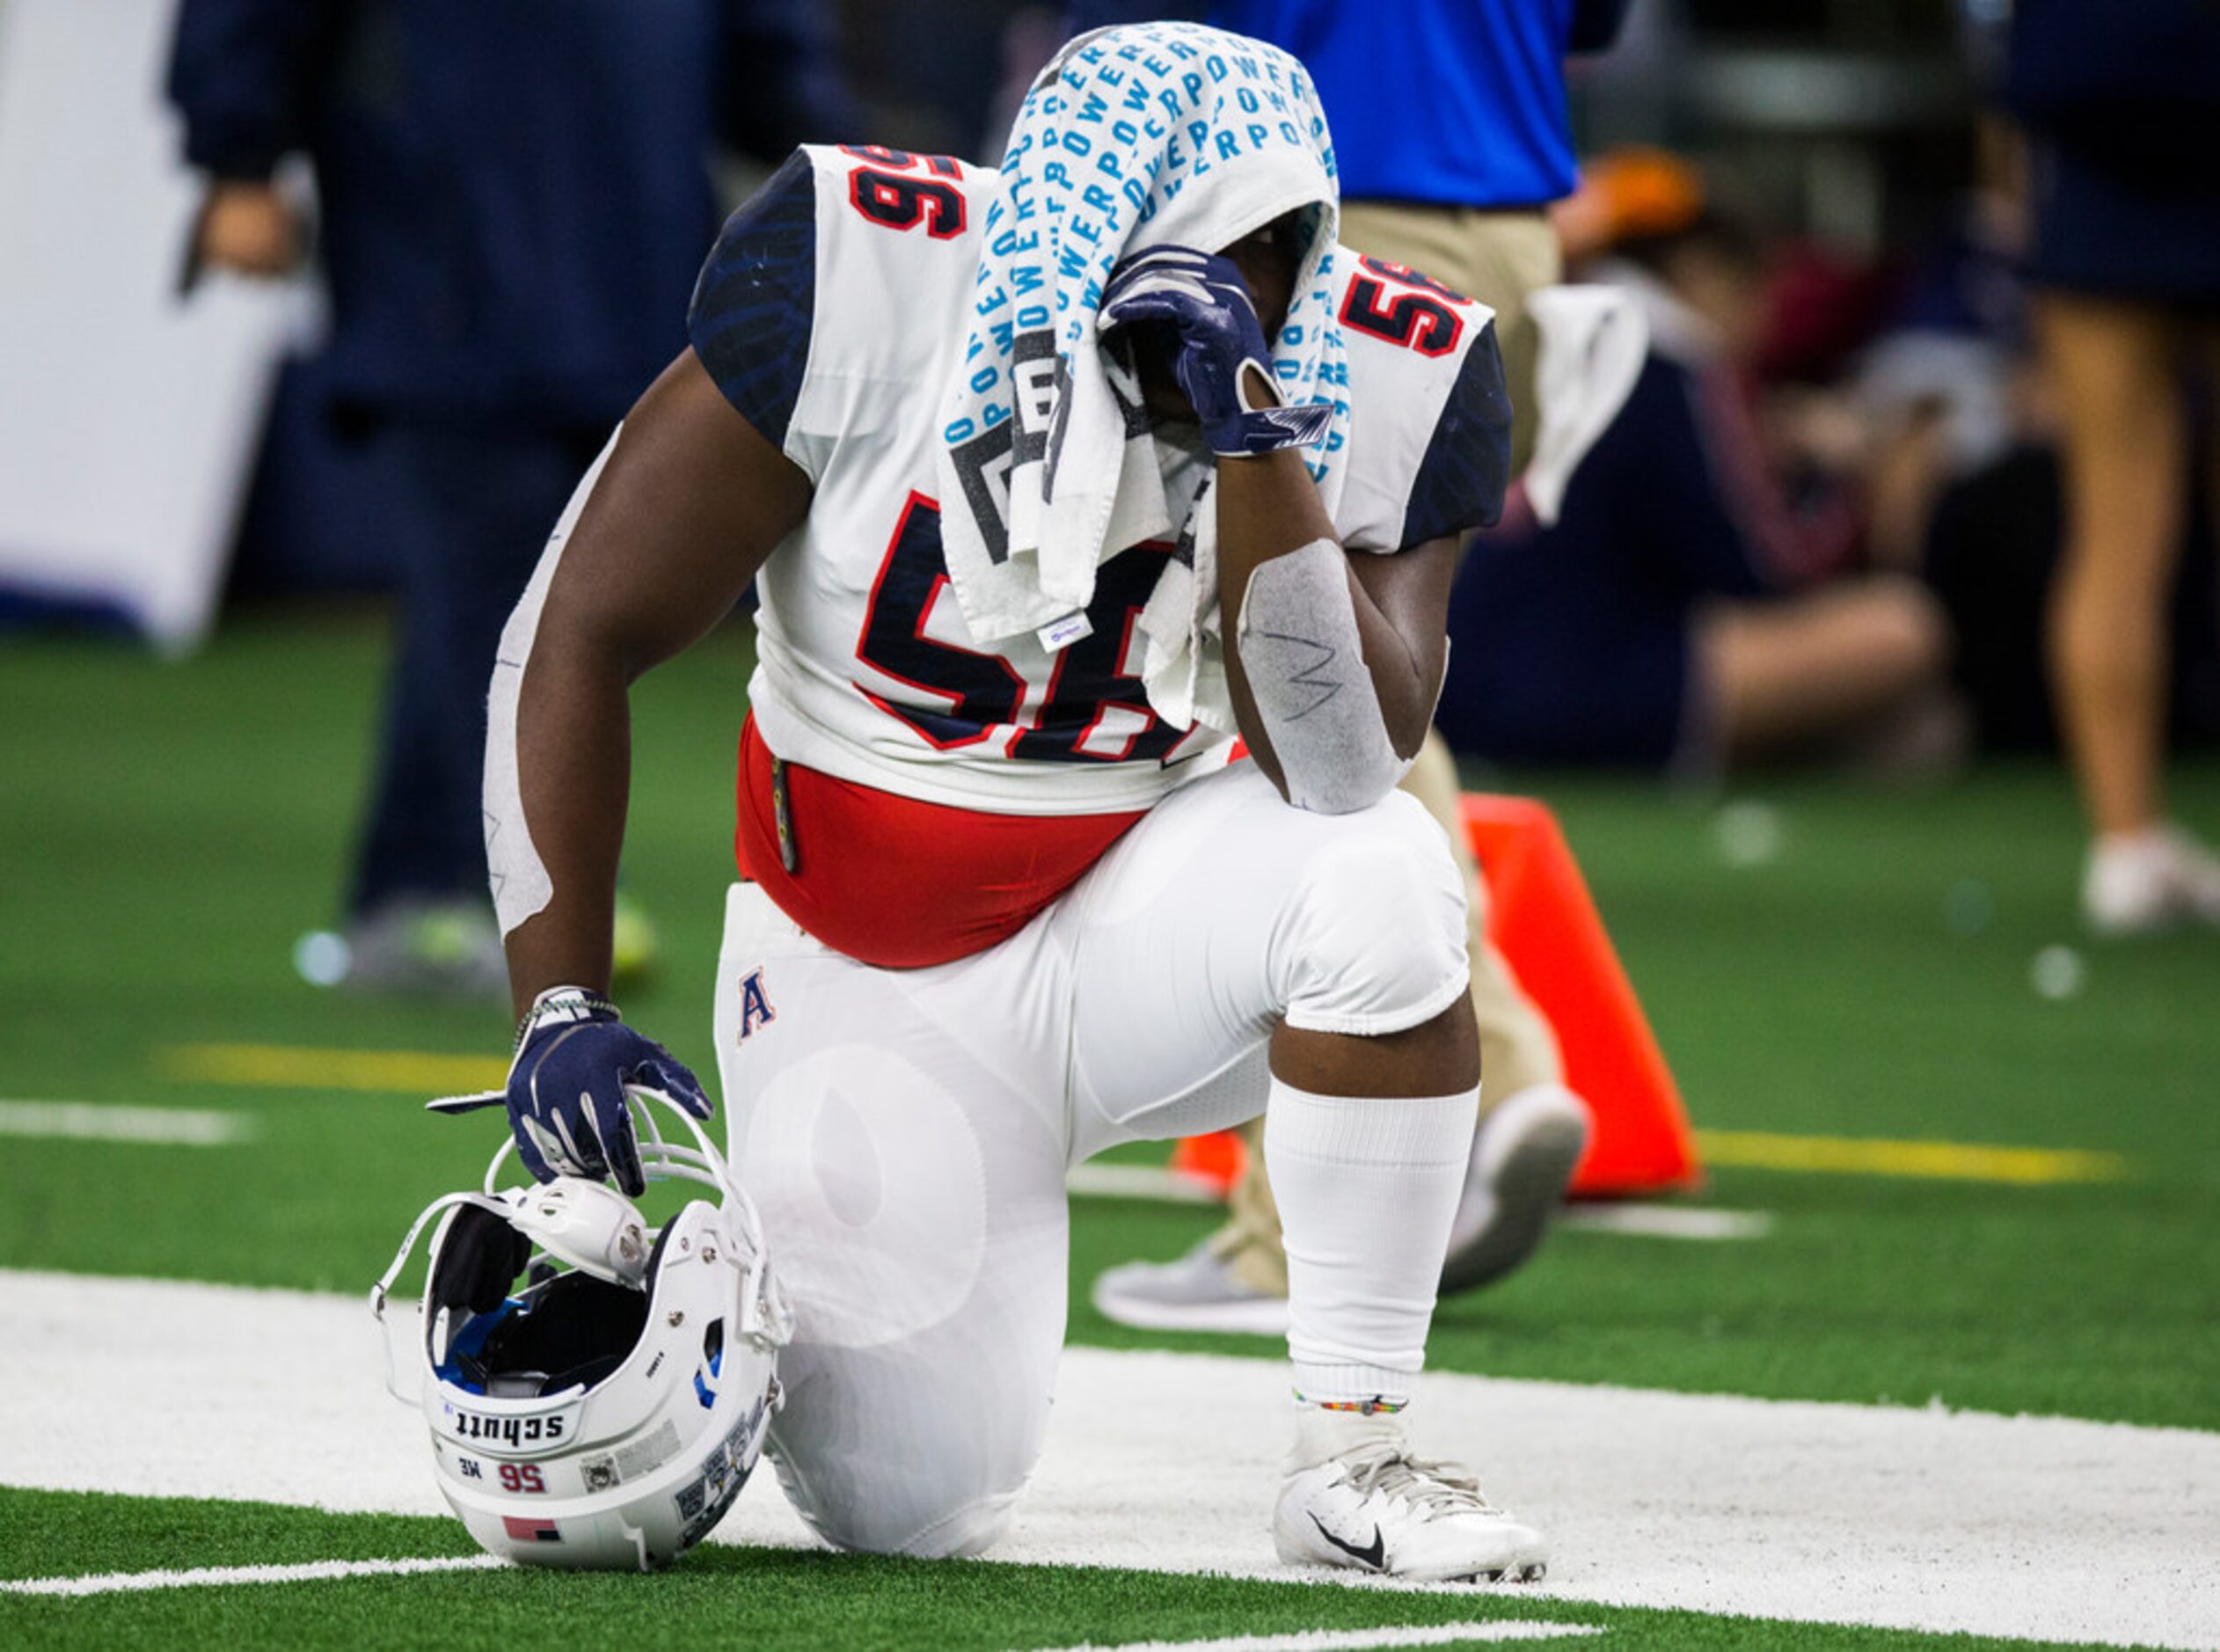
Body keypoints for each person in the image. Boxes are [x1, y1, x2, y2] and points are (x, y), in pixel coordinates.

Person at [460, 21, 1552, 1580]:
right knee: (905, 1506)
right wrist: (554, 1001)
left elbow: (1338, 757)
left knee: (1381, 870)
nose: (1222, 291)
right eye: (1186, 259)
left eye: (1262, 258)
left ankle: (1351, 1450)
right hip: (859, 956)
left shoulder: (1395, 363)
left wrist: (1249, 434)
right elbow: (573, 628)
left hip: (1147, 914)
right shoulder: (863, 277)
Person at [1073, 0, 1632, 1335]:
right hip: (1518, 218)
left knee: (1300, 678)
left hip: (1326, 211)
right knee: (1364, 676)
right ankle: (1489, 1071)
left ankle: (1302, 1223)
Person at [167, 0, 854, 993]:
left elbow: (769, 54)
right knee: (495, 578)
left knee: (516, 587)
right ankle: (492, 903)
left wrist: (871, 180)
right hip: (441, 234)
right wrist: (235, 159)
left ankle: (415, 894)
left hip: (633, 242)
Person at [1436, 150, 1958, 777]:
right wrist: (1851, 478)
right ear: (1703, 270)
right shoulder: (1675, 361)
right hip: (1590, 683)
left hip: (1468, 680)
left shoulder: (1569, 335)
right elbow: (1760, 571)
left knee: (1920, 728)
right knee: (1903, 629)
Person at [2001, 0, 2220, 933]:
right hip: (2149, 167)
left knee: (2114, 529)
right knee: (2117, 528)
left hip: (2098, 196)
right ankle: (2131, 846)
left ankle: (2124, 843)